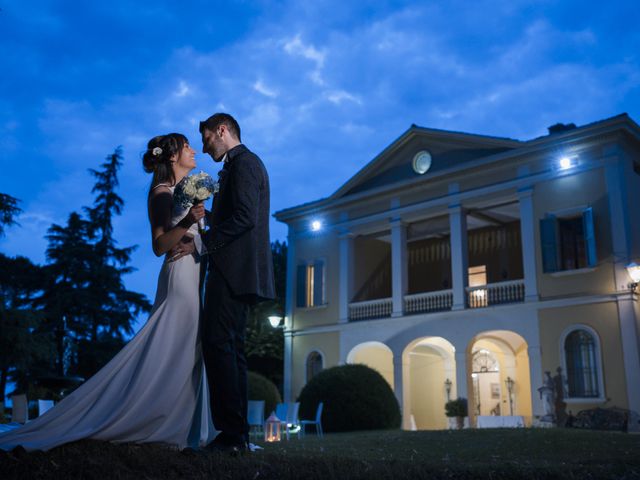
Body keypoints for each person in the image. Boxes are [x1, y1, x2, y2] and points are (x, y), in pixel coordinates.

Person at [0, 133, 216, 452]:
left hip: (196, 274)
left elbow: (198, 236)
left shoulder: (190, 192)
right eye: (187, 147)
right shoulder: (161, 193)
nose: (194, 151)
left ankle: (184, 422)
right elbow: (159, 245)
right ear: (172, 156)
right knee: (171, 345)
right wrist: (186, 222)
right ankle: (151, 417)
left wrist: (197, 231)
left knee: (188, 348)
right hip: (178, 278)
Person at [199, 113, 275, 453]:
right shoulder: (241, 165)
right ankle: (237, 435)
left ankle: (231, 434)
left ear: (222, 130)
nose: (204, 147)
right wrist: (208, 218)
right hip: (240, 272)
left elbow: (246, 217)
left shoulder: (245, 163)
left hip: (232, 272)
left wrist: (206, 243)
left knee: (218, 345)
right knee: (231, 350)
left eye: (205, 139)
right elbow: (238, 216)